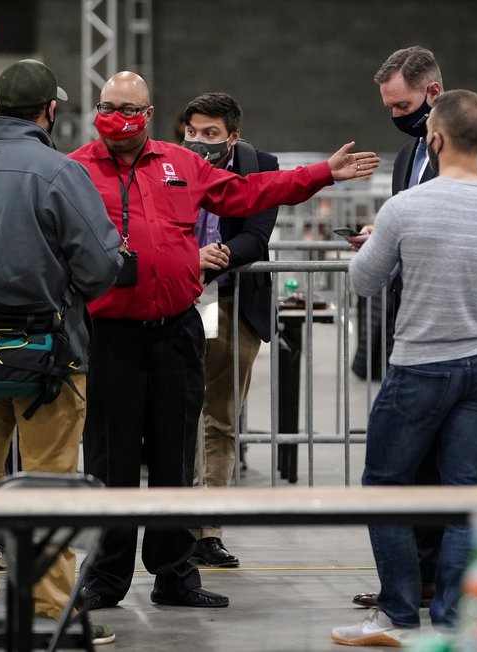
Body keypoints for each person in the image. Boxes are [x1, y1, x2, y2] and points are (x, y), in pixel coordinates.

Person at [69, 70, 377, 610]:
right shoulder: (73, 170)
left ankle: (173, 574)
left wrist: (322, 174)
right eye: (109, 104)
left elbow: (249, 192)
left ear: (147, 112)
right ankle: (106, 578)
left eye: (130, 107)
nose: (119, 115)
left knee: (173, 459)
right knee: (110, 464)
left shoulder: (180, 163)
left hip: (176, 332)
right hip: (111, 336)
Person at [0, 59, 122, 640]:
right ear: (49, 111)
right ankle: (48, 609)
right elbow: (100, 266)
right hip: (47, 359)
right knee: (49, 482)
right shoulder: (59, 172)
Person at [332, 89, 477, 646]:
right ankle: (450, 616)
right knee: (464, 492)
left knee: (386, 488)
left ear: (436, 138)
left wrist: (373, 246)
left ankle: (398, 613)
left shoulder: (406, 207)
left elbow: (365, 283)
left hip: (421, 363)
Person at [349, 45, 477, 613]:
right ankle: (434, 593)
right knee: (440, 478)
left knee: (406, 482)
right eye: (389, 105)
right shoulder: (408, 158)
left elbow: (371, 276)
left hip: (432, 346)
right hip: (474, 349)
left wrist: (385, 239)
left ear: (434, 100)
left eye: (402, 104)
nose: (395, 114)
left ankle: (432, 599)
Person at [179, 92, 278, 569]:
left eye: (210, 134)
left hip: (233, 303)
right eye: (192, 131)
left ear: (233, 136)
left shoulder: (262, 165)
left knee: (220, 419)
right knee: (177, 418)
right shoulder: (169, 162)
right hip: (177, 300)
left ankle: (208, 530)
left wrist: (213, 260)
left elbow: (256, 237)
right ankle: (174, 524)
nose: (198, 142)